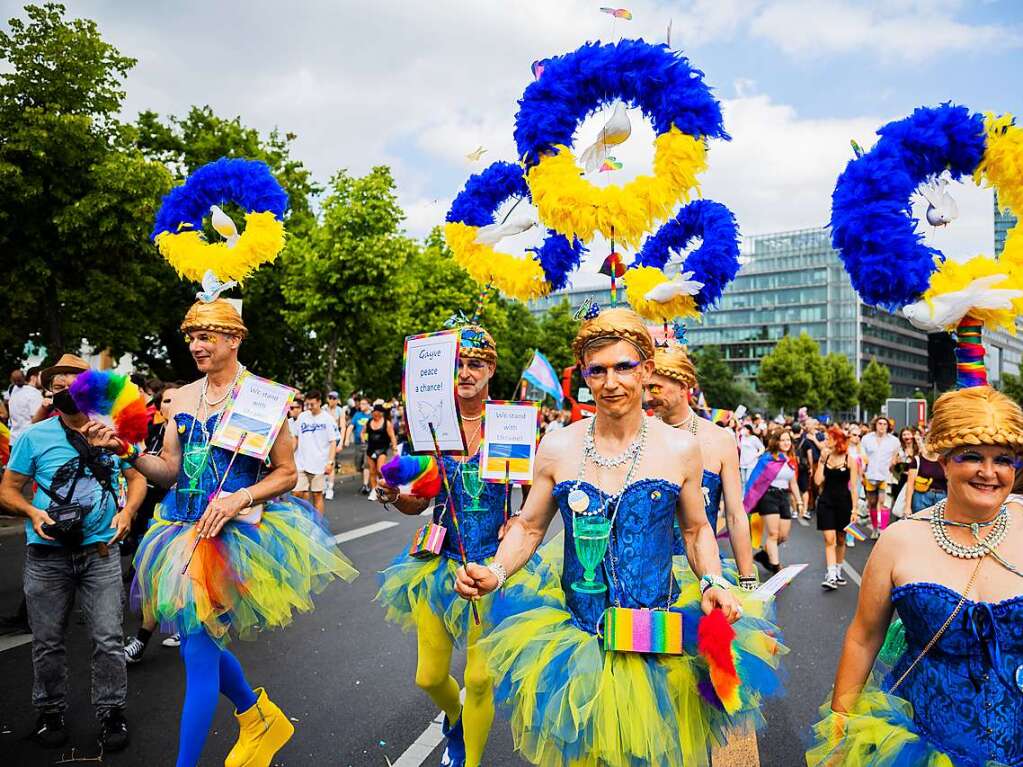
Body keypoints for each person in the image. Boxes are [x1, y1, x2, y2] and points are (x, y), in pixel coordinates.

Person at [455, 307, 783, 767]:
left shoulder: (680, 449)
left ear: (646, 370)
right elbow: (529, 527)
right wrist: (494, 571)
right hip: (579, 641)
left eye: (624, 367)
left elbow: (695, 530)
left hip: (657, 636)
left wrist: (712, 581)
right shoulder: (558, 446)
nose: (611, 382)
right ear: (585, 377)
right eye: (598, 370)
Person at [89, 299, 358, 767]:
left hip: (237, 540)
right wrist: (128, 450)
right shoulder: (182, 397)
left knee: (197, 650)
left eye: (206, 336)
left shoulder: (264, 397)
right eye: (191, 336)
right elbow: (170, 471)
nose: (195, 345)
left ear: (234, 339)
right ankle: (259, 717)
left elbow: (287, 473)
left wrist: (240, 498)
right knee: (201, 642)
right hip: (182, 533)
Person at [806, 385, 1023, 766]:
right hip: (922, 744)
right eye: (972, 456)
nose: (989, 473)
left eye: (1003, 460)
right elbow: (863, 637)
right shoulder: (900, 540)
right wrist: (838, 733)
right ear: (944, 458)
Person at [375, 324, 545, 767]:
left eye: (474, 365)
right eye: (457, 366)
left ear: (490, 369)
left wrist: (517, 523)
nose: (465, 374)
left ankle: (470, 759)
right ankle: (456, 717)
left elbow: (532, 503)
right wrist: (395, 495)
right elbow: (419, 500)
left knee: (480, 678)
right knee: (429, 676)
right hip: (438, 564)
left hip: (492, 568)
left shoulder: (511, 424)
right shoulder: (433, 424)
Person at [0, 353, 145, 751]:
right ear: (50, 391)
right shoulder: (33, 437)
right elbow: (8, 490)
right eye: (59, 387)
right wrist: (32, 511)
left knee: (108, 639)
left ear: (92, 390)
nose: (66, 393)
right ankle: (49, 713)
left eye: (75, 386)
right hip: (47, 556)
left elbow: (137, 478)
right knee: (46, 640)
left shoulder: (114, 433)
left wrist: (129, 512)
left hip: (100, 553)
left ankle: (112, 712)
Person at [645, 343, 758, 590]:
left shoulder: (720, 440)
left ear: (684, 387)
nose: (647, 398)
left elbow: (736, 515)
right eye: (644, 388)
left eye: (654, 388)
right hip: (646, 573)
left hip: (703, 572)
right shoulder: (639, 436)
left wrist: (747, 579)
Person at [124, 383, 183, 663]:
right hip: (159, 510)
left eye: (173, 400)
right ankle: (141, 639)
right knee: (154, 575)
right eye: (164, 401)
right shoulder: (156, 431)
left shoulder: (198, 432)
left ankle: (186, 628)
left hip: (192, 514)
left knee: (180, 578)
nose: (166, 406)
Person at [745, 430, 802, 575]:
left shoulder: (791, 460)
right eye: (782, 440)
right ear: (776, 441)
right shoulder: (767, 459)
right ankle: (776, 567)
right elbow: (755, 480)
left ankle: (764, 554)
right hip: (768, 496)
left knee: (783, 536)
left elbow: (793, 483)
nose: (786, 443)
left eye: (788, 440)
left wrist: (799, 502)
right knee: (773, 534)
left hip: (784, 497)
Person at [815, 425, 858, 590]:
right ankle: (831, 574)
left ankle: (838, 570)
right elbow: (818, 482)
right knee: (829, 539)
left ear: (837, 440)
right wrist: (820, 462)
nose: (826, 441)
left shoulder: (849, 460)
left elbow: (853, 487)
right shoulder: (825, 457)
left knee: (841, 539)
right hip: (826, 502)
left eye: (828, 438)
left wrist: (854, 510)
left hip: (844, 503)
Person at [289, 390, 340, 514]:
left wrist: (330, 462)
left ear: (319, 402)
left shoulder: (327, 419)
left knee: (317, 495)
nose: (310, 407)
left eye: (312, 404)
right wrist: (289, 456)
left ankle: (318, 525)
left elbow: (333, 442)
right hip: (301, 462)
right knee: (296, 493)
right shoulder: (302, 416)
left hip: (319, 463)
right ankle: (303, 519)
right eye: (308, 404)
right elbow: (296, 438)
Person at [860, 416, 899, 539]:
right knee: (872, 503)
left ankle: (883, 530)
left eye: (884, 424)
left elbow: (896, 456)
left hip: (886, 476)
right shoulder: (867, 439)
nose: (882, 426)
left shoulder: (893, 441)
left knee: (884, 503)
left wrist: (894, 462)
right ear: (875, 425)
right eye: (880, 423)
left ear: (888, 426)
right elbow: (862, 456)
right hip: (870, 475)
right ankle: (875, 528)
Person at [902, 430, 948, 515]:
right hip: (921, 498)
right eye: (930, 440)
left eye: (935, 440)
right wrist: (907, 507)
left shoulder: (945, 460)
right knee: (920, 526)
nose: (932, 444)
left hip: (942, 499)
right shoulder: (918, 460)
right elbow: (910, 484)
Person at [364, 403, 397, 501]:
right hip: (371, 449)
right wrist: (363, 438)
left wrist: (394, 448)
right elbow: (363, 432)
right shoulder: (369, 422)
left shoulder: (386, 423)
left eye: (378, 413)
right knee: (372, 471)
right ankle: (374, 491)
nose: (375, 415)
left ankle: (386, 487)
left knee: (380, 470)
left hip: (382, 449)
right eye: (374, 413)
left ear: (381, 413)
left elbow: (392, 436)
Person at [8, 365, 43, 445]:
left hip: (13, 440)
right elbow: (36, 420)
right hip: (28, 441)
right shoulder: (34, 393)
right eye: (41, 376)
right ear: (33, 377)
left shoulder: (14, 389)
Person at [796, 420, 823, 521]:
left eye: (808, 424)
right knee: (809, 485)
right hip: (806, 463)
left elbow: (822, 447)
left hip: (818, 462)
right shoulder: (803, 435)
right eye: (806, 424)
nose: (806, 426)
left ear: (814, 425)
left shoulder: (820, 435)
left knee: (817, 484)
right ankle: (810, 504)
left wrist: (814, 439)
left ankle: (816, 501)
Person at [346, 397, 372, 494]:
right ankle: (367, 481)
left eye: (364, 404)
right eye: (361, 404)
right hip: (358, 443)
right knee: (358, 465)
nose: (361, 406)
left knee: (366, 464)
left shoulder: (372, 416)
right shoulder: (357, 415)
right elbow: (351, 426)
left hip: (369, 443)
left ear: (368, 405)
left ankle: (365, 485)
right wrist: (347, 439)